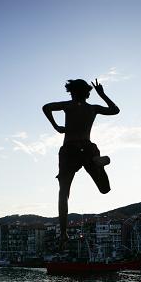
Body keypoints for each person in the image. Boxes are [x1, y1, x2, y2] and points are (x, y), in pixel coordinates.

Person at [43, 78, 120, 249]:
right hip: (88, 148)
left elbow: (46, 107)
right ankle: (100, 161)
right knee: (105, 189)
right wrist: (103, 95)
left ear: (71, 92)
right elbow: (115, 110)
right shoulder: (93, 108)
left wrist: (57, 126)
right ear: (87, 93)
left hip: (69, 150)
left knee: (63, 192)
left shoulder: (67, 105)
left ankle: (63, 233)